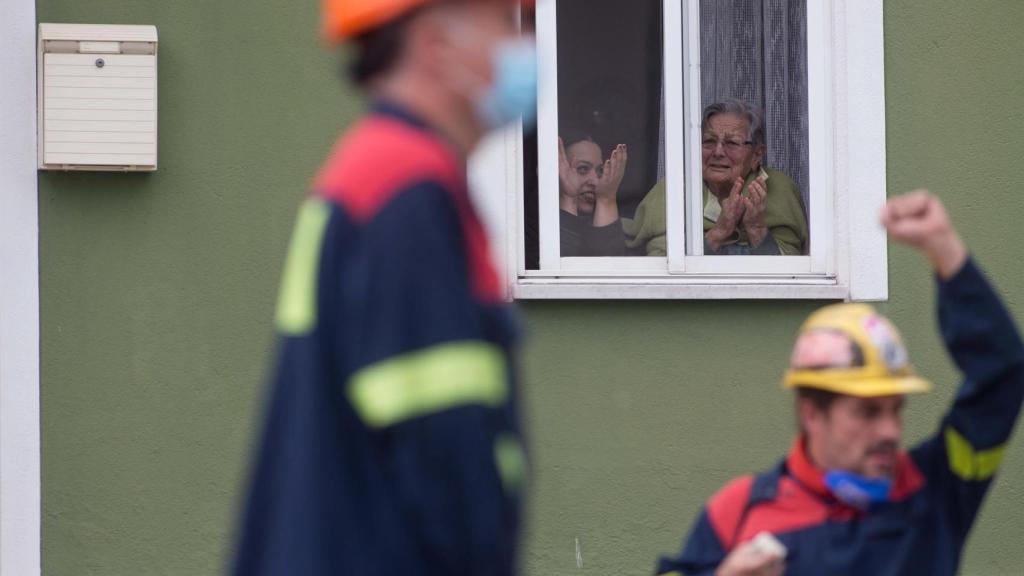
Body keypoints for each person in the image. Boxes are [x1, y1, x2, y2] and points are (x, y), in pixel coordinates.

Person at [231, 1, 535, 574]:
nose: (526, 50)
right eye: (504, 25)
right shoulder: (407, 187)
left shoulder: (378, 171)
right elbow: (441, 448)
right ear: (437, 46)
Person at [655, 190, 1024, 575]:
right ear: (812, 412)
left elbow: (1002, 375)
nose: (890, 430)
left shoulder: (934, 490)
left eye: (896, 409)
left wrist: (944, 249)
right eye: (868, 412)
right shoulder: (737, 512)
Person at [626, 101, 808, 256]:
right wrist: (719, 232)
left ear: (757, 154)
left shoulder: (780, 189)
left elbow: (793, 277)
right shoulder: (673, 191)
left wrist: (756, 228)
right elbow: (661, 276)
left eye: (732, 143)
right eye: (709, 141)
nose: (718, 152)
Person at [558, 133, 628, 256]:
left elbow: (608, 270)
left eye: (600, 171)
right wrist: (568, 198)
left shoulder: (627, 230)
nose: (595, 181)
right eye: (583, 169)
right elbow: (561, 270)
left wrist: (606, 200)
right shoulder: (532, 227)